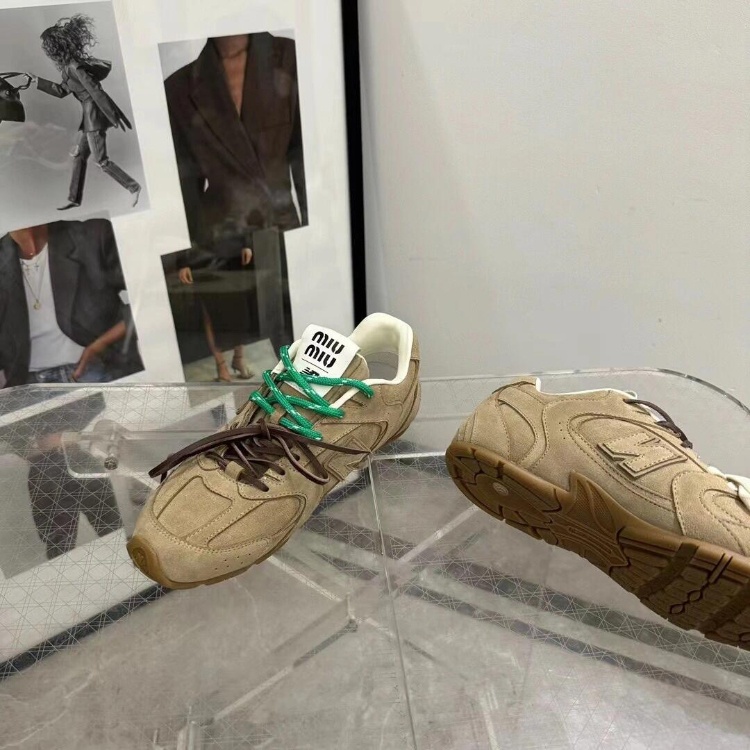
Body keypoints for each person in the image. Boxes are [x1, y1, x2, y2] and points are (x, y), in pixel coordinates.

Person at [164, 32, 306, 381]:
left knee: (297, 333)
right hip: (219, 233)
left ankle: (249, 368)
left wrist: (315, 231)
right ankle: (228, 368)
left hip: (285, 226)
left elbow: (308, 157)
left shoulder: (290, 56)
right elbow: (185, 186)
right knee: (227, 313)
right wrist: (186, 256)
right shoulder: (179, 87)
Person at [0, 219, 142, 386]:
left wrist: (102, 343)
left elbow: (151, 291)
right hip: (30, 386)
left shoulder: (92, 235)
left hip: (100, 370)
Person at [26, 14, 141, 210]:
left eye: (48, 48)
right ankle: (74, 198)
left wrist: (113, 114)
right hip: (88, 117)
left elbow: (95, 90)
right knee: (79, 156)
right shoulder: (67, 69)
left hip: (93, 116)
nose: (48, 52)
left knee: (101, 161)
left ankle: (133, 187)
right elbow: (61, 91)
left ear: (55, 48)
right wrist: (36, 80)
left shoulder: (74, 67)